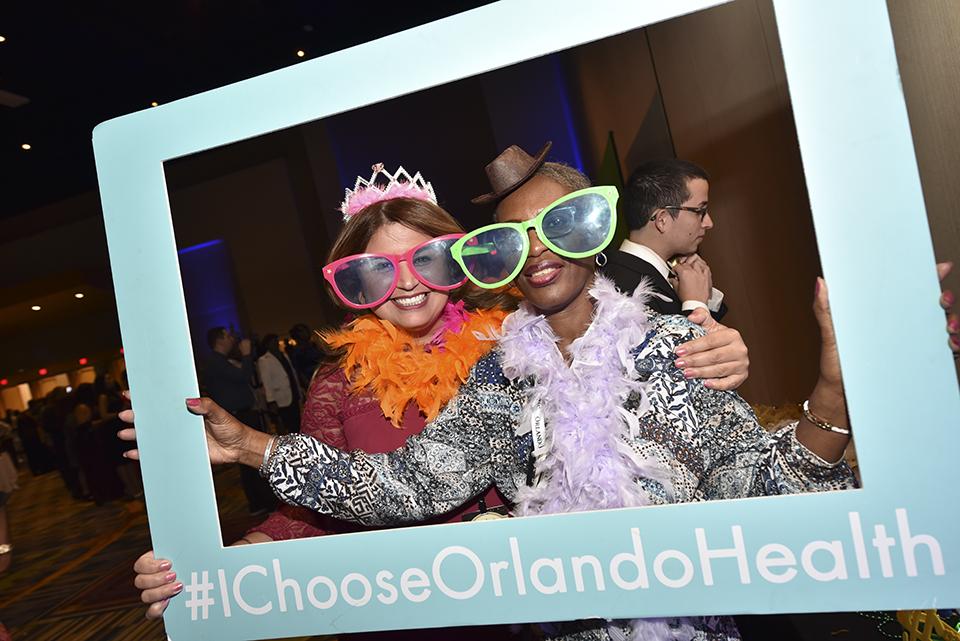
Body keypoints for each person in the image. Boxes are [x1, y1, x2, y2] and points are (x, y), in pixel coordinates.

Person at [127, 161, 754, 634]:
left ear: (468, 258)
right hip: (423, 606)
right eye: (376, 270)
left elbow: (641, 389)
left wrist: (714, 340)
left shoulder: (510, 345)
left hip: (554, 598)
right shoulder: (339, 384)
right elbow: (338, 501)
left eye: (425, 259)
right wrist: (212, 570)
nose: (406, 284)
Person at [603, 158, 727, 319]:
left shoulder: (669, 271)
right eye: (700, 211)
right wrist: (695, 306)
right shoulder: (620, 289)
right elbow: (677, 344)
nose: (709, 223)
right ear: (662, 220)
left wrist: (705, 295)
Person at [203, 326, 276, 515]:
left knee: (251, 460)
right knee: (251, 459)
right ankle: (261, 503)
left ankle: (261, 502)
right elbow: (244, 376)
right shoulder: (215, 361)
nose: (232, 339)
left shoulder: (220, 361)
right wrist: (246, 354)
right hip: (237, 415)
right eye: (228, 336)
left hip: (243, 413)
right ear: (219, 340)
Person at [256, 334, 301, 434]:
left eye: (276, 341)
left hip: (292, 394)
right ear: (267, 345)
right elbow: (266, 381)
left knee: (297, 423)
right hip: (280, 399)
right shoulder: (264, 360)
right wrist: (271, 401)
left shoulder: (284, 355)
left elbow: (291, 373)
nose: (276, 343)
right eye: (272, 342)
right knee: (284, 426)